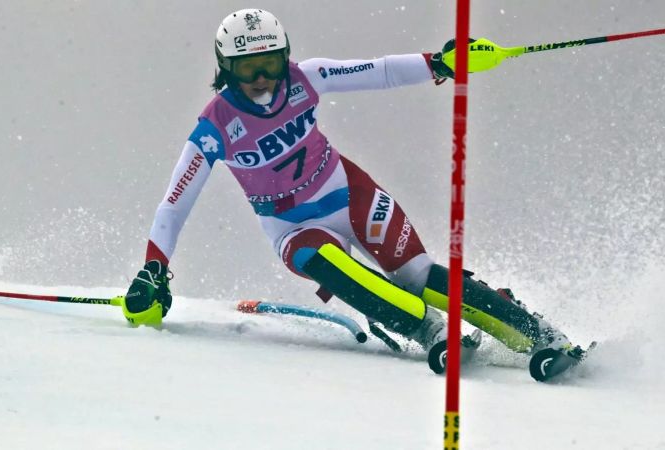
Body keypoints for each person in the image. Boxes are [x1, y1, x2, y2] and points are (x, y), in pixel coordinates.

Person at [122, 9, 574, 362]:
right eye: (248, 69)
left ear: (286, 56)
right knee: (322, 260)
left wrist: (440, 63)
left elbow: (379, 71)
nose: (262, 80)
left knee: (417, 275)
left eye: (271, 64)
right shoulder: (214, 126)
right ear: (226, 68)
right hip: (290, 226)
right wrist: (154, 269)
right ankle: (429, 330)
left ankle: (538, 336)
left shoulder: (307, 77)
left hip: (349, 192)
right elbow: (174, 206)